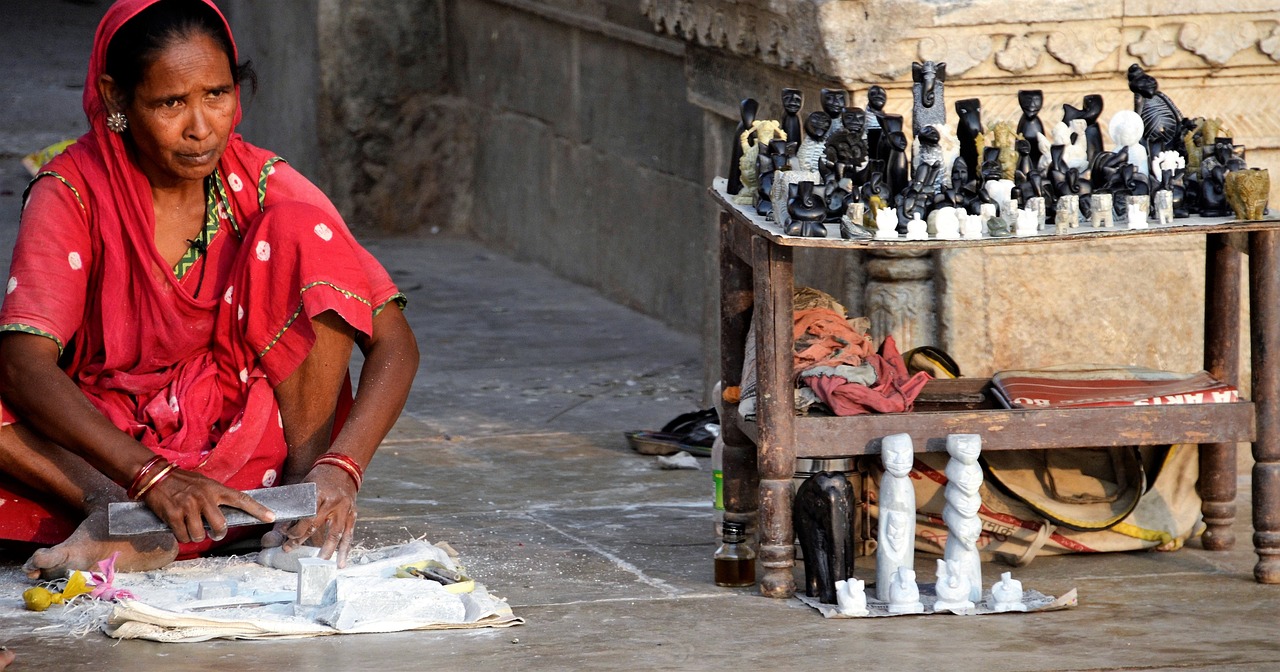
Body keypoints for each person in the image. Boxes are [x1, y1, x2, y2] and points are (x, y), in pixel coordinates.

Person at [0, 0, 419, 579]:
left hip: (246, 447)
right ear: (117, 99)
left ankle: (295, 515)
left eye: (217, 96)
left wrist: (340, 469)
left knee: (304, 233)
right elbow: (25, 366)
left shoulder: (260, 178)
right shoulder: (73, 190)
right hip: (108, 455)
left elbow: (394, 338)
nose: (201, 127)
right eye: (171, 103)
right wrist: (149, 478)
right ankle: (116, 514)